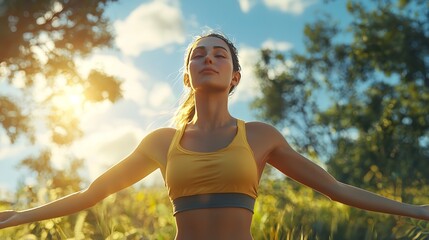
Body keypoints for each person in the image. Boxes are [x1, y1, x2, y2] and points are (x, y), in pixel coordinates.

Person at [0, 31, 428, 239]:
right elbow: (90, 195)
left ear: (235, 76)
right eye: (198, 55)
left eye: (219, 54)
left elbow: (335, 190)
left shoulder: (261, 136)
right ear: (187, 76)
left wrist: (420, 211)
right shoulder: (160, 143)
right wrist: (15, 217)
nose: (208, 59)